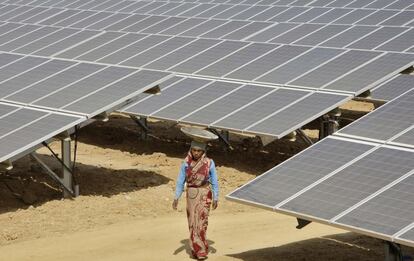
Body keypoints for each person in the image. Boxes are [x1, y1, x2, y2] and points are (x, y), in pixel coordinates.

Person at [172, 140, 219, 260]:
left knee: (202, 222)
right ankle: (195, 248)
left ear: (203, 151)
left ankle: (201, 250)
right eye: (194, 150)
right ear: (191, 150)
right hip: (191, 195)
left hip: (204, 194)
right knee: (192, 222)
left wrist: (216, 197)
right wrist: (176, 197)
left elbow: (214, 181)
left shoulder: (209, 163)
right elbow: (180, 181)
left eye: (199, 151)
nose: (196, 153)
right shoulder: (186, 163)